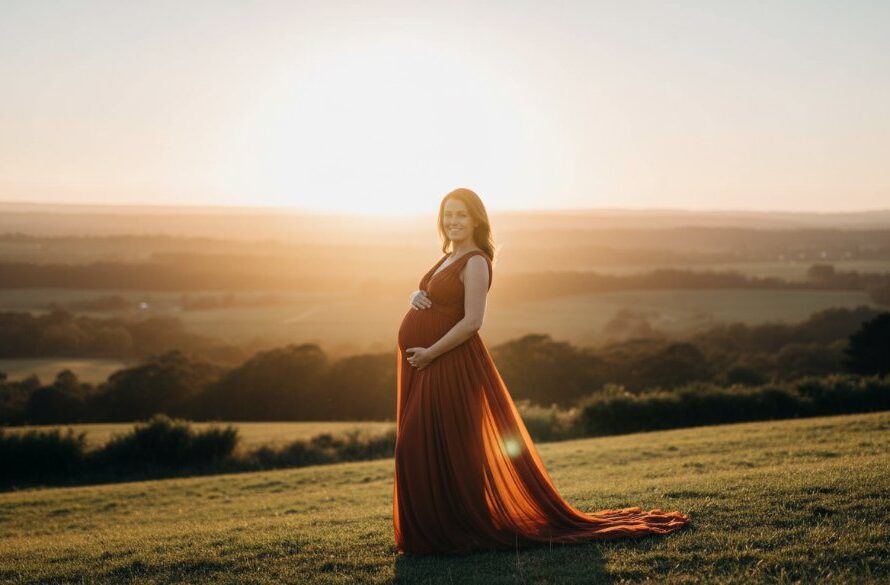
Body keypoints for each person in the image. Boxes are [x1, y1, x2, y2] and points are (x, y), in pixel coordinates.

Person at [393, 188, 691, 555]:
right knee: (423, 445)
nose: (452, 221)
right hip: (427, 363)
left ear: (476, 220)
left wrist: (430, 353)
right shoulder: (448, 256)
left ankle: (457, 529)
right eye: (447, 215)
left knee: (430, 446)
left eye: (460, 215)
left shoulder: (474, 261)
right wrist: (415, 296)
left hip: (448, 363)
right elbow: (436, 295)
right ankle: (438, 532)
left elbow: (472, 322)